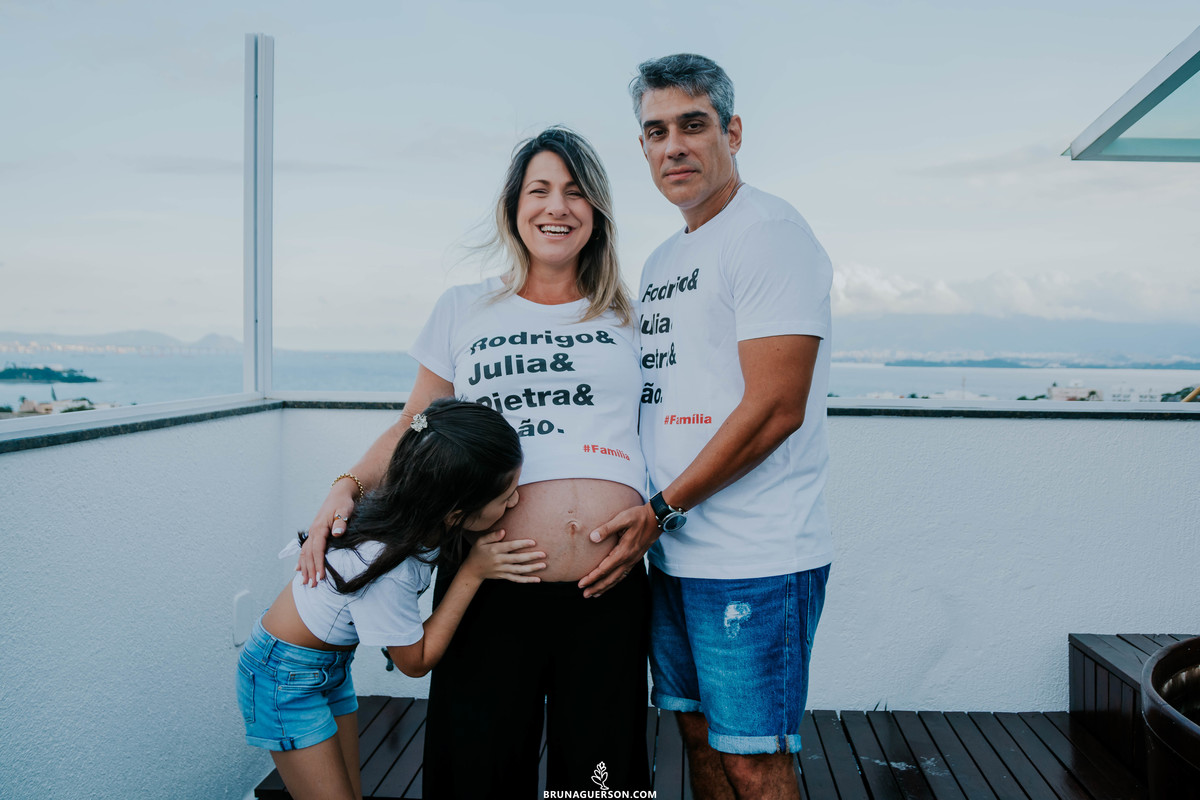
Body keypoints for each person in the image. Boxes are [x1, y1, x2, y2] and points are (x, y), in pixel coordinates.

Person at [297, 127, 651, 797]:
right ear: (514, 206)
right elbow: (415, 422)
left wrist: (662, 516)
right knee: (480, 776)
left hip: (607, 582)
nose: (557, 207)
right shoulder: (464, 308)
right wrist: (345, 485)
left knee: (604, 780)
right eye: (539, 190)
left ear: (597, 211)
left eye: (576, 192)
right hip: (488, 583)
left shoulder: (630, 316)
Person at [579, 54, 834, 800]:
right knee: (695, 737)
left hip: (756, 557)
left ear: (733, 131)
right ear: (643, 149)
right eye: (656, 132)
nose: (674, 147)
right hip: (676, 557)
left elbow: (775, 409)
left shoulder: (770, 233)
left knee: (754, 758)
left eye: (693, 125)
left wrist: (661, 509)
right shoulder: (663, 259)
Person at [237, 399, 544, 800]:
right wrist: (473, 572)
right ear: (454, 512)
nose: (515, 502)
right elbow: (413, 662)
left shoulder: (416, 510)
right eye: (505, 497)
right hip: (284, 679)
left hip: (324, 668)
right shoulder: (387, 564)